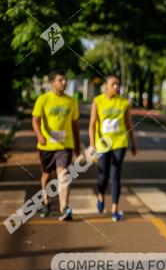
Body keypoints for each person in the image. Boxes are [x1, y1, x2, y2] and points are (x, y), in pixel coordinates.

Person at [31, 71, 80, 221]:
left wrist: (78, 144)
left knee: (63, 174)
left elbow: (74, 124)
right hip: (46, 146)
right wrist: (39, 135)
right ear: (53, 82)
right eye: (60, 80)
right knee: (46, 175)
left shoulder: (71, 101)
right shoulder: (43, 99)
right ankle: (46, 202)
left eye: (65, 80)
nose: (64, 82)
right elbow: (35, 120)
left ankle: (64, 208)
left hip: (65, 145)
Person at [89, 75, 137, 222]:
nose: (117, 86)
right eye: (113, 84)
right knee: (103, 176)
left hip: (119, 143)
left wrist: (133, 143)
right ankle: (101, 195)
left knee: (115, 175)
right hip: (103, 144)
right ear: (106, 86)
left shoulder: (123, 103)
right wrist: (92, 144)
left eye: (118, 84)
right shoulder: (98, 100)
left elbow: (129, 124)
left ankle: (115, 209)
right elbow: (92, 124)